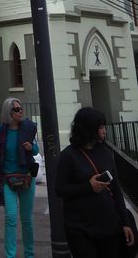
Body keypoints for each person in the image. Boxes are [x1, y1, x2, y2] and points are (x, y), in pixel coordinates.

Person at [55, 107, 135, 258]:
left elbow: (116, 190)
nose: (104, 131)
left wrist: (125, 223)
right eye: (101, 127)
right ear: (89, 129)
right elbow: (60, 189)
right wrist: (88, 187)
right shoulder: (68, 156)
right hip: (80, 229)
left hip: (109, 227)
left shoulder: (106, 153)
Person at [0, 97, 39, 258]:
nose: (20, 111)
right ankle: (10, 255)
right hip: (7, 179)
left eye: (20, 108)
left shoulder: (27, 129)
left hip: (27, 178)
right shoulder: (0, 133)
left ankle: (29, 254)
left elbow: (36, 151)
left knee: (27, 220)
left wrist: (32, 147)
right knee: (10, 217)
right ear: (8, 112)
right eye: (16, 109)